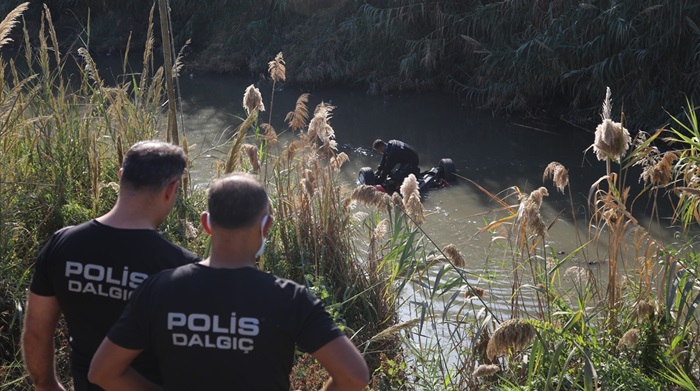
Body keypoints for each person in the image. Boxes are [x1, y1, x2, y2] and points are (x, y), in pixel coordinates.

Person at [88, 173, 370, 391]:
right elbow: (353, 375)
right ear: (266, 226)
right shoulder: (290, 299)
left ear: (206, 223)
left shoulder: (159, 288)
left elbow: (102, 372)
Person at [22, 140, 200, 391]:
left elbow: (37, 331)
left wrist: (47, 384)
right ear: (172, 188)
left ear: (120, 176)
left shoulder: (63, 243)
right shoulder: (180, 266)